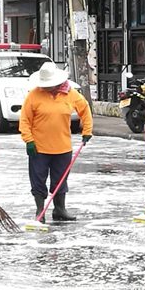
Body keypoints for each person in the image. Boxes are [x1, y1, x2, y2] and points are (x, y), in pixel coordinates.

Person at [20, 62, 93, 223]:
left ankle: (60, 209)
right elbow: (24, 120)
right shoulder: (33, 95)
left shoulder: (70, 93)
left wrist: (87, 130)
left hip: (63, 147)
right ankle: (40, 210)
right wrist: (29, 140)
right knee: (38, 180)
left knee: (60, 179)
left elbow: (85, 109)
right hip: (38, 148)